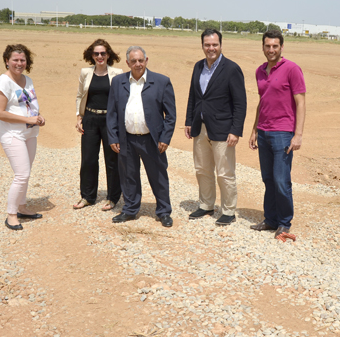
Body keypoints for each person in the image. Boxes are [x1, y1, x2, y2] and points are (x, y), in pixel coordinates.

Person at [106, 46, 176, 227]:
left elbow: (171, 115)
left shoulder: (161, 81)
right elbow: (111, 112)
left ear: (146, 60)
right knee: (128, 175)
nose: (138, 64)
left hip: (152, 140)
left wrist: (165, 138)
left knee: (158, 176)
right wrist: (113, 137)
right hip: (126, 139)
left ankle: (163, 211)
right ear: (127, 63)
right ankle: (130, 209)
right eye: (133, 61)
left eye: (140, 60)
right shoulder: (118, 82)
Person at [185, 29, 247, 226]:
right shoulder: (198, 66)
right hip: (200, 127)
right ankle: (206, 205)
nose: (211, 48)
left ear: (221, 45)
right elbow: (193, 96)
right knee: (202, 169)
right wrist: (189, 120)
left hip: (223, 129)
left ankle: (228, 210)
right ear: (202, 45)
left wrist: (235, 130)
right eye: (207, 45)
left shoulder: (232, 69)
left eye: (214, 44)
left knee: (224, 172)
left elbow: (240, 103)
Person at [249, 30, 306, 240]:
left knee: (281, 180)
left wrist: (298, 135)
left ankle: (284, 223)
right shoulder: (260, 71)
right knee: (268, 179)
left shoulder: (292, 69)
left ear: (282, 47)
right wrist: (254, 129)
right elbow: (262, 101)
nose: (271, 50)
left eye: (275, 46)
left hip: (283, 132)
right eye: (267, 46)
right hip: (264, 132)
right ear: (263, 47)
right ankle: (271, 219)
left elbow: (301, 102)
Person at [0, 44, 46, 231]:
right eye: (15, 60)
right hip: (12, 134)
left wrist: (38, 116)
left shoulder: (27, 80)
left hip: (29, 133)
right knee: (21, 174)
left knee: (26, 172)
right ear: (7, 61)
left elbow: (29, 104)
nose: (19, 63)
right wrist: (27, 119)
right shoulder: (3, 82)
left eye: (22, 60)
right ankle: (11, 215)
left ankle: (22, 207)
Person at [73, 39, 123, 211]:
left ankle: (113, 197)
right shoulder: (85, 72)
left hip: (110, 120)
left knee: (112, 160)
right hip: (90, 119)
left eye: (103, 53)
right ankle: (87, 196)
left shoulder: (117, 73)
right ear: (92, 55)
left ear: (108, 55)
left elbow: (121, 98)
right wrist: (79, 116)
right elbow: (80, 95)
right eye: (96, 53)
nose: (100, 56)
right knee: (88, 159)